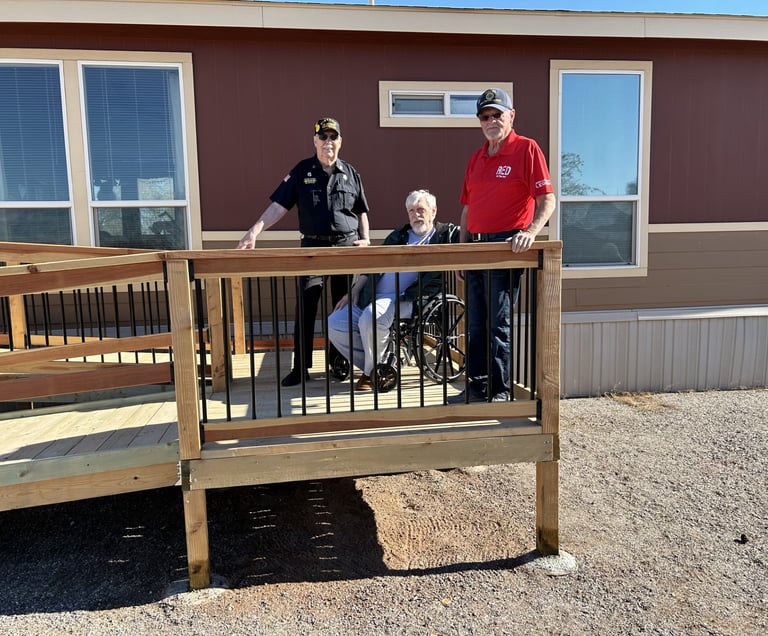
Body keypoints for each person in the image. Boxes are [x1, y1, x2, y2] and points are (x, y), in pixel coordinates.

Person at [238, 117, 371, 386]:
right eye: (323, 137)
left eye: (333, 137)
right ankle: (300, 367)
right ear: (315, 141)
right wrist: (254, 231)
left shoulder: (350, 172)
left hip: (344, 247)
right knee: (307, 305)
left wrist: (365, 238)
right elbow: (278, 206)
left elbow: (360, 211)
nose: (328, 142)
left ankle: (338, 362)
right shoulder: (302, 171)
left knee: (341, 307)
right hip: (312, 247)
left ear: (340, 141)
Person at [450, 87, 556, 403]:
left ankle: (500, 391)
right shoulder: (476, 158)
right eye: (485, 116)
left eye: (497, 114)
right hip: (476, 250)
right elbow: (467, 209)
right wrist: (461, 251)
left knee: (498, 324)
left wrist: (531, 232)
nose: (491, 120)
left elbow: (547, 199)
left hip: (506, 248)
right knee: (476, 324)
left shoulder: (527, 149)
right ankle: (476, 387)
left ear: (511, 115)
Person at [327, 190, 458, 390]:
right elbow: (373, 264)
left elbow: (472, 233)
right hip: (370, 295)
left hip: (406, 299)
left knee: (371, 317)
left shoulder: (444, 234)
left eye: (421, 209)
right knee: (335, 323)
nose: (416, 215)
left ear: (433, 211)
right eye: (411, 211)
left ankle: (371, 375)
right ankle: (378, 366)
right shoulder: (398, 235)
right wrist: (354, 290)